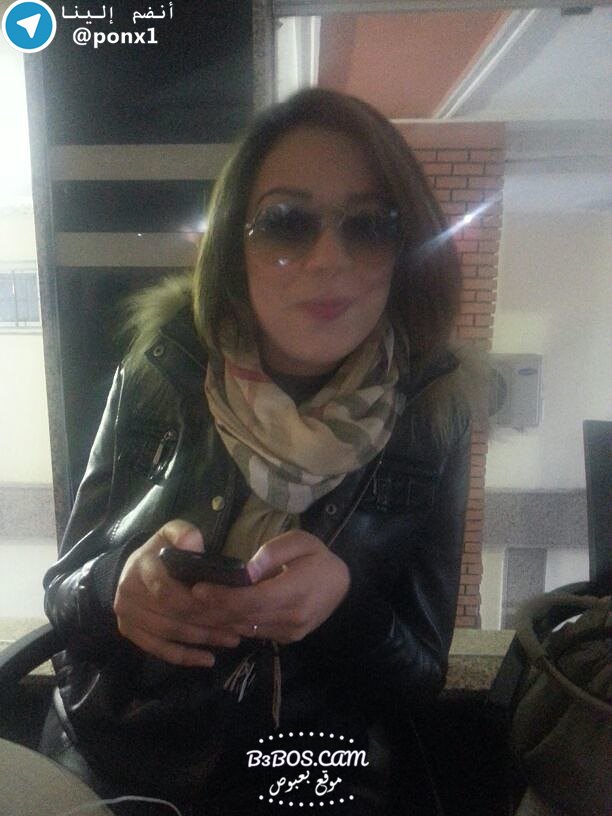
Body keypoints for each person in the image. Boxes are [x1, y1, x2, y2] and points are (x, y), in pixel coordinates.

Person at [42, 88, 478, 815]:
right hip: (114, 757)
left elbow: (421, 675)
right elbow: (64, 589)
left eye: (371, 226)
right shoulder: (161, 370)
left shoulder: (435, 413)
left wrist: (343, 607)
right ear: (233, 246)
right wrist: (117, 584)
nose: (328, 260)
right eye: (285, 222)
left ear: (405, 251)